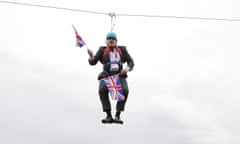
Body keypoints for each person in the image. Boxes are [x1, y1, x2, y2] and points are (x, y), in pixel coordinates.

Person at [87, 32, 134, 124]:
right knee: (102, 90)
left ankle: (118, 114)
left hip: (119, 75)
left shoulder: (122, 49)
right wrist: (91, 56)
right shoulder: (102, 49)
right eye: (109, 39)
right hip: (107, 74)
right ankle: (108, 115)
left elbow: (131, 62)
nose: (111, 40)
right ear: (106, 41)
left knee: (125, 91)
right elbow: (93, 62)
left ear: (116, 41)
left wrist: (127, 69)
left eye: (113, 39)